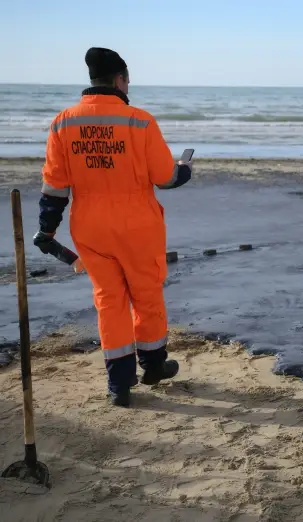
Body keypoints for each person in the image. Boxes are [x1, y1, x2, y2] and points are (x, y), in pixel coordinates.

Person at [36, 47, 193, 407]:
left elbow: (55, 188)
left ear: (93, 81)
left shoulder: (63, 122)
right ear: (121, 79)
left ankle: (119, 384)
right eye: (128, 80)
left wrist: (47, 229)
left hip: (89, 229)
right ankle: (153, 365)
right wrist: (185, 169)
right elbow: (165, 178)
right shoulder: (139, 121)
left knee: (110, 301)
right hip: (137, 227)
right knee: (146, 295)